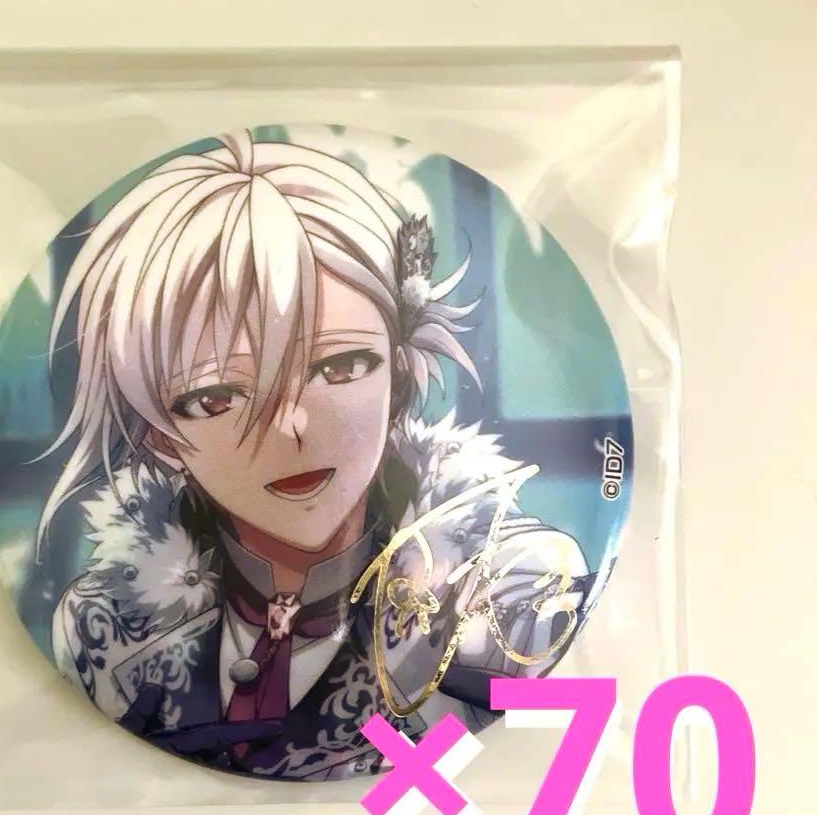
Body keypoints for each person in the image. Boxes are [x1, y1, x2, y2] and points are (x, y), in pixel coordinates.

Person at [41, 131, 591, 779]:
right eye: (216, 397)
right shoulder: (104, 632)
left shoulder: (510, 598)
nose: (291, 427)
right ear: (157, 434)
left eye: (341, 366)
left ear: (399, 376)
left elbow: (516, 787)